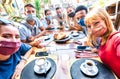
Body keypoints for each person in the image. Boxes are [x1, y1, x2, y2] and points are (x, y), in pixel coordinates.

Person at [84, 7, 120, 78]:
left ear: (106, 20)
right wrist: (97, 50)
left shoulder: (117, 38)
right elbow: (109, 53)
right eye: (89, 26)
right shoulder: (102, 38)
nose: (92, 29)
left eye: (96, 23)